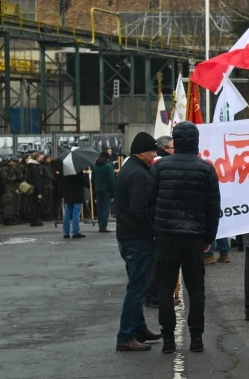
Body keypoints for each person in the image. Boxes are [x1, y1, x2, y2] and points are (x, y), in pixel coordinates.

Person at [149, 121, 221, 355]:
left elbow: (151, 202)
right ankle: (196, 338)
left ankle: (168, 339)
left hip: (167, 235)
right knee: (196, 287)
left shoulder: (160, 167)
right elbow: (213, 207)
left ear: (175, 142)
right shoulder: (206, 168)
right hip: (195, 236)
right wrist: (209, 236)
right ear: (196, 142)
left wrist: (156, 228)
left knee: (165, 287)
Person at [115, 132, 160, 352]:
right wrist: (152, 231)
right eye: (152, 150)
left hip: (127, 236)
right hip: (138, 238)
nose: (154, 154)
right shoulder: (139, 175)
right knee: (137, 287)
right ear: (142, 151)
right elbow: (139, 209)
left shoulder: (129, 169)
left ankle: (139, 328)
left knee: (138, 283)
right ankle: (125, 335)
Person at [91, 151, 116, 233]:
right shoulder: (108, 166)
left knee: (99, 208)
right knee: (105, 208)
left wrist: (95, 187)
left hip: (98, 189)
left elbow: (93, 179)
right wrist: (114, 191)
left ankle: (100, 225)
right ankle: (103, 226)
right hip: (107, 190)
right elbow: (111, 180)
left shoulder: (95, 166)